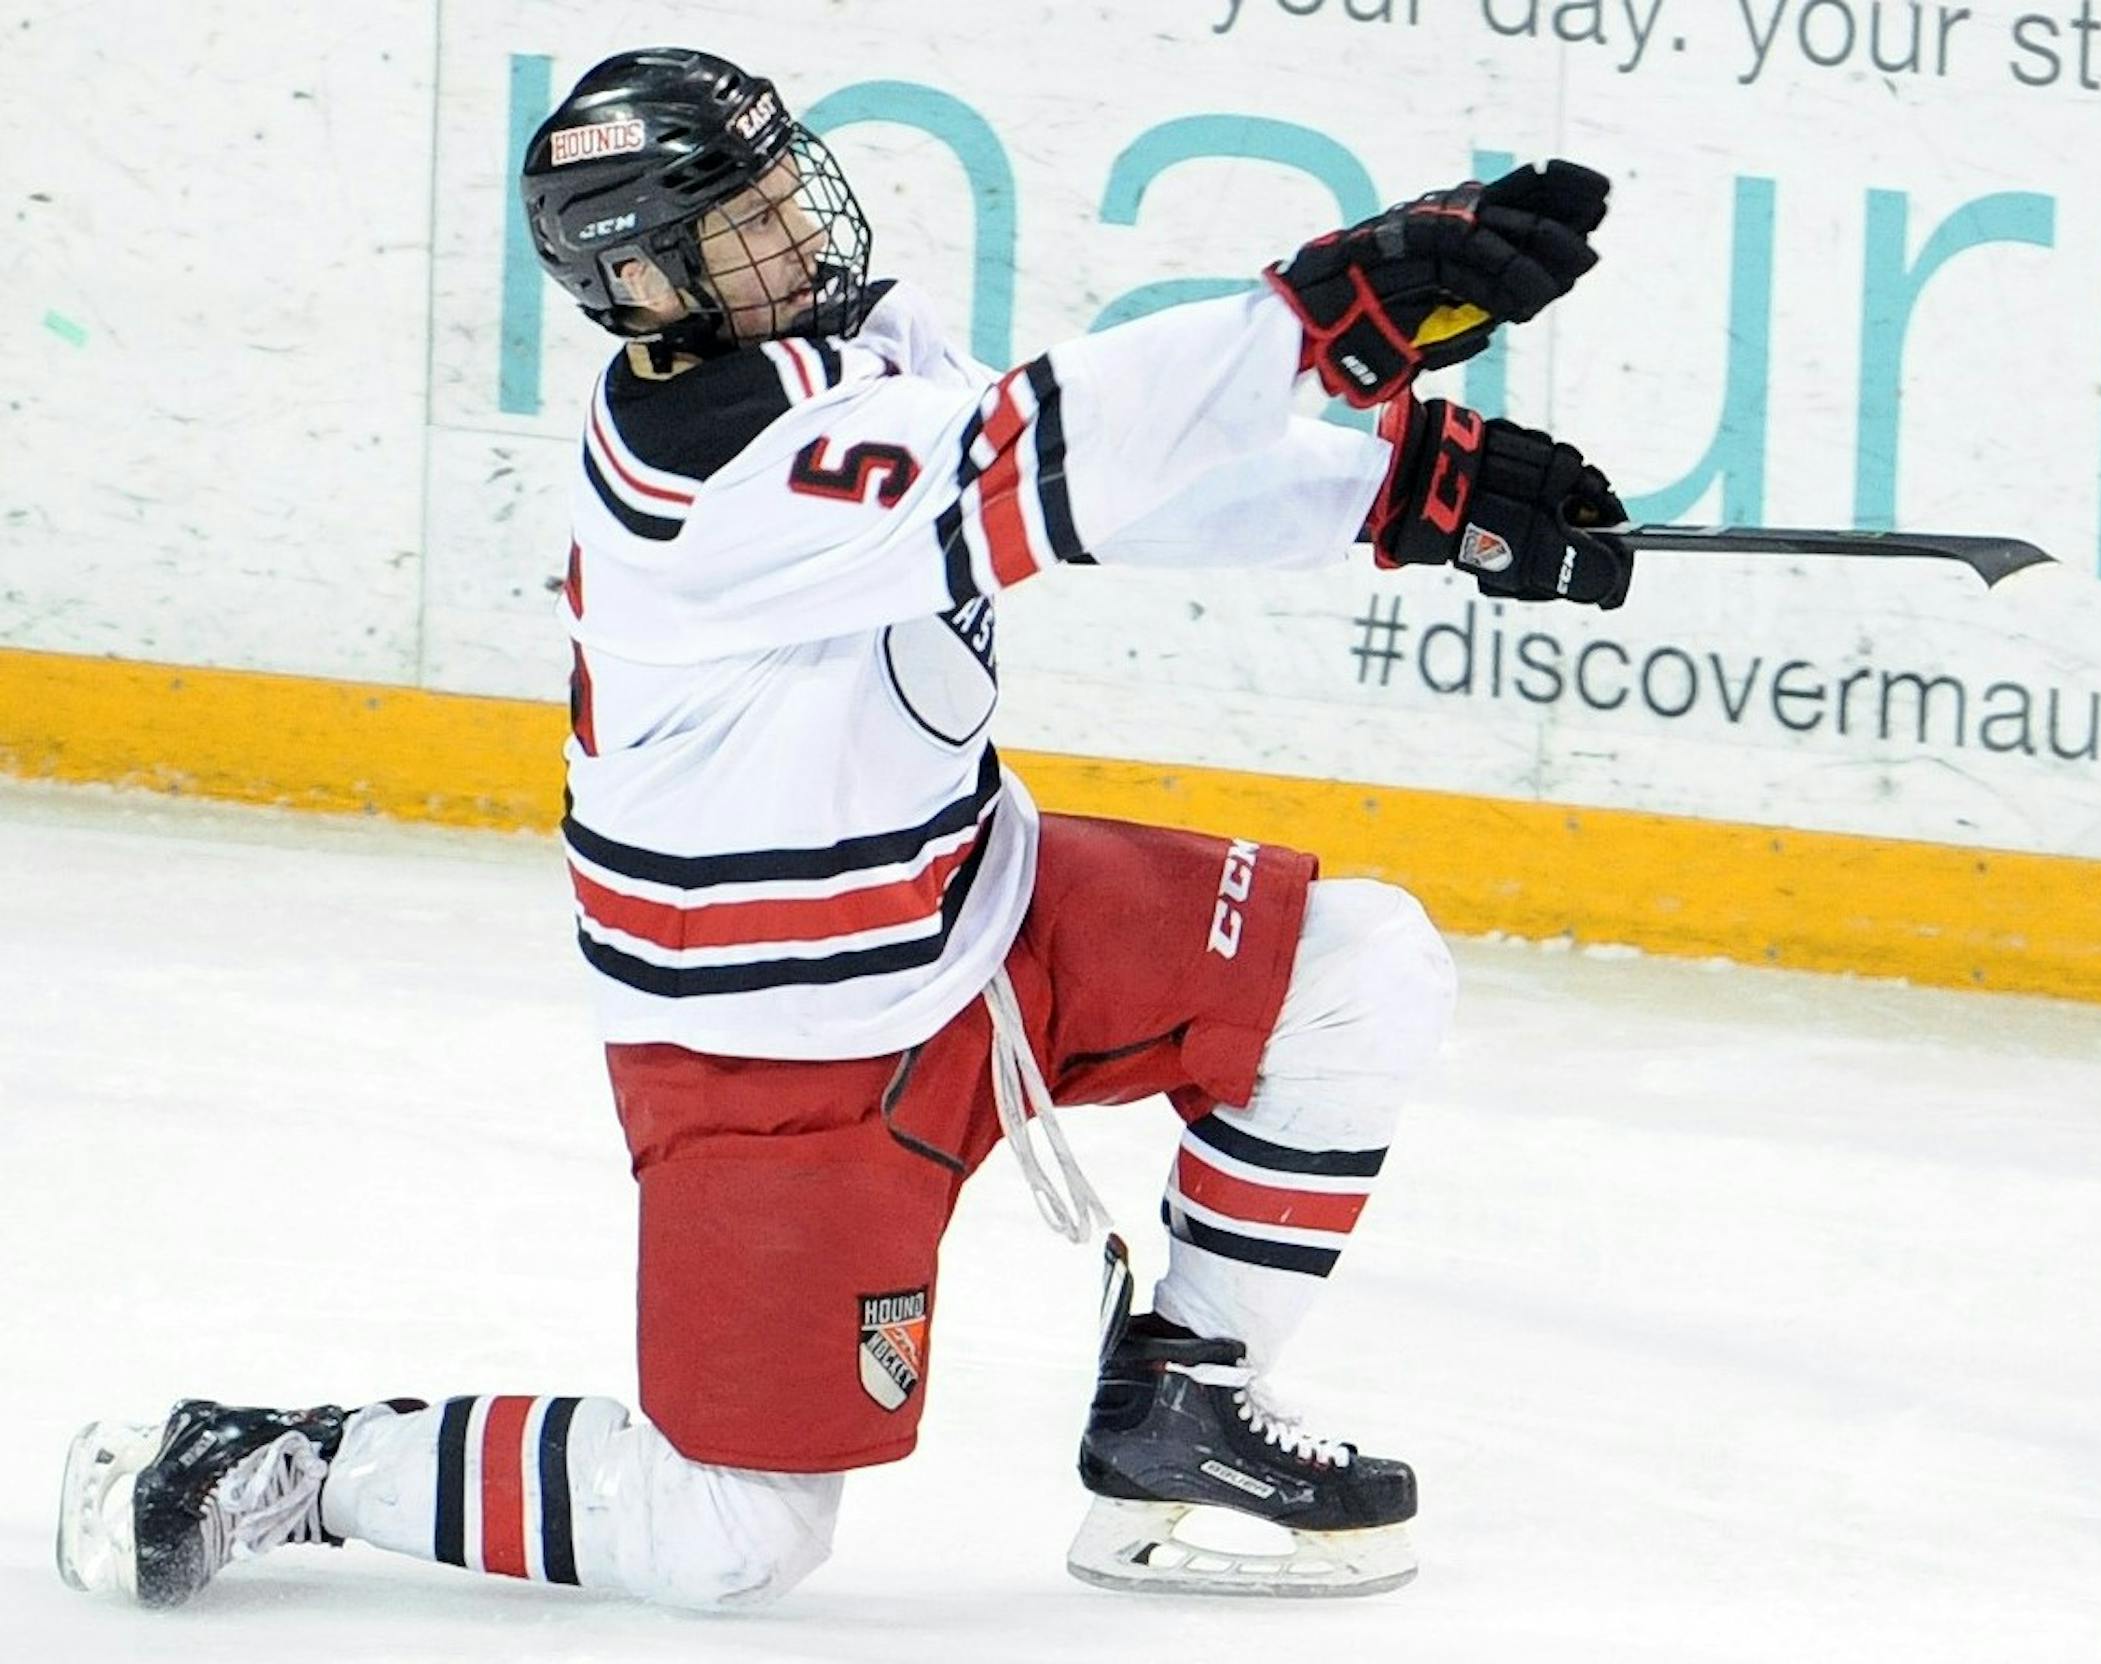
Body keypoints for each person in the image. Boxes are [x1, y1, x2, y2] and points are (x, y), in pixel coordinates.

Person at [55, 46, 1634, 1611]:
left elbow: (1078, 474)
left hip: (976, 916)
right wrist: (1315, 321)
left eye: (784, 186)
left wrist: (1395, 491)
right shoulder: (713, 471)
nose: (798, 227)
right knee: (729, 1537)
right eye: (743, 218)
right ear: (644, 282)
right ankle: (302, 1460)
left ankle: (1186, 1405)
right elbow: (1036, 452)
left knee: (1357, 966)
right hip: (775, 1054)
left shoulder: (850, 350)